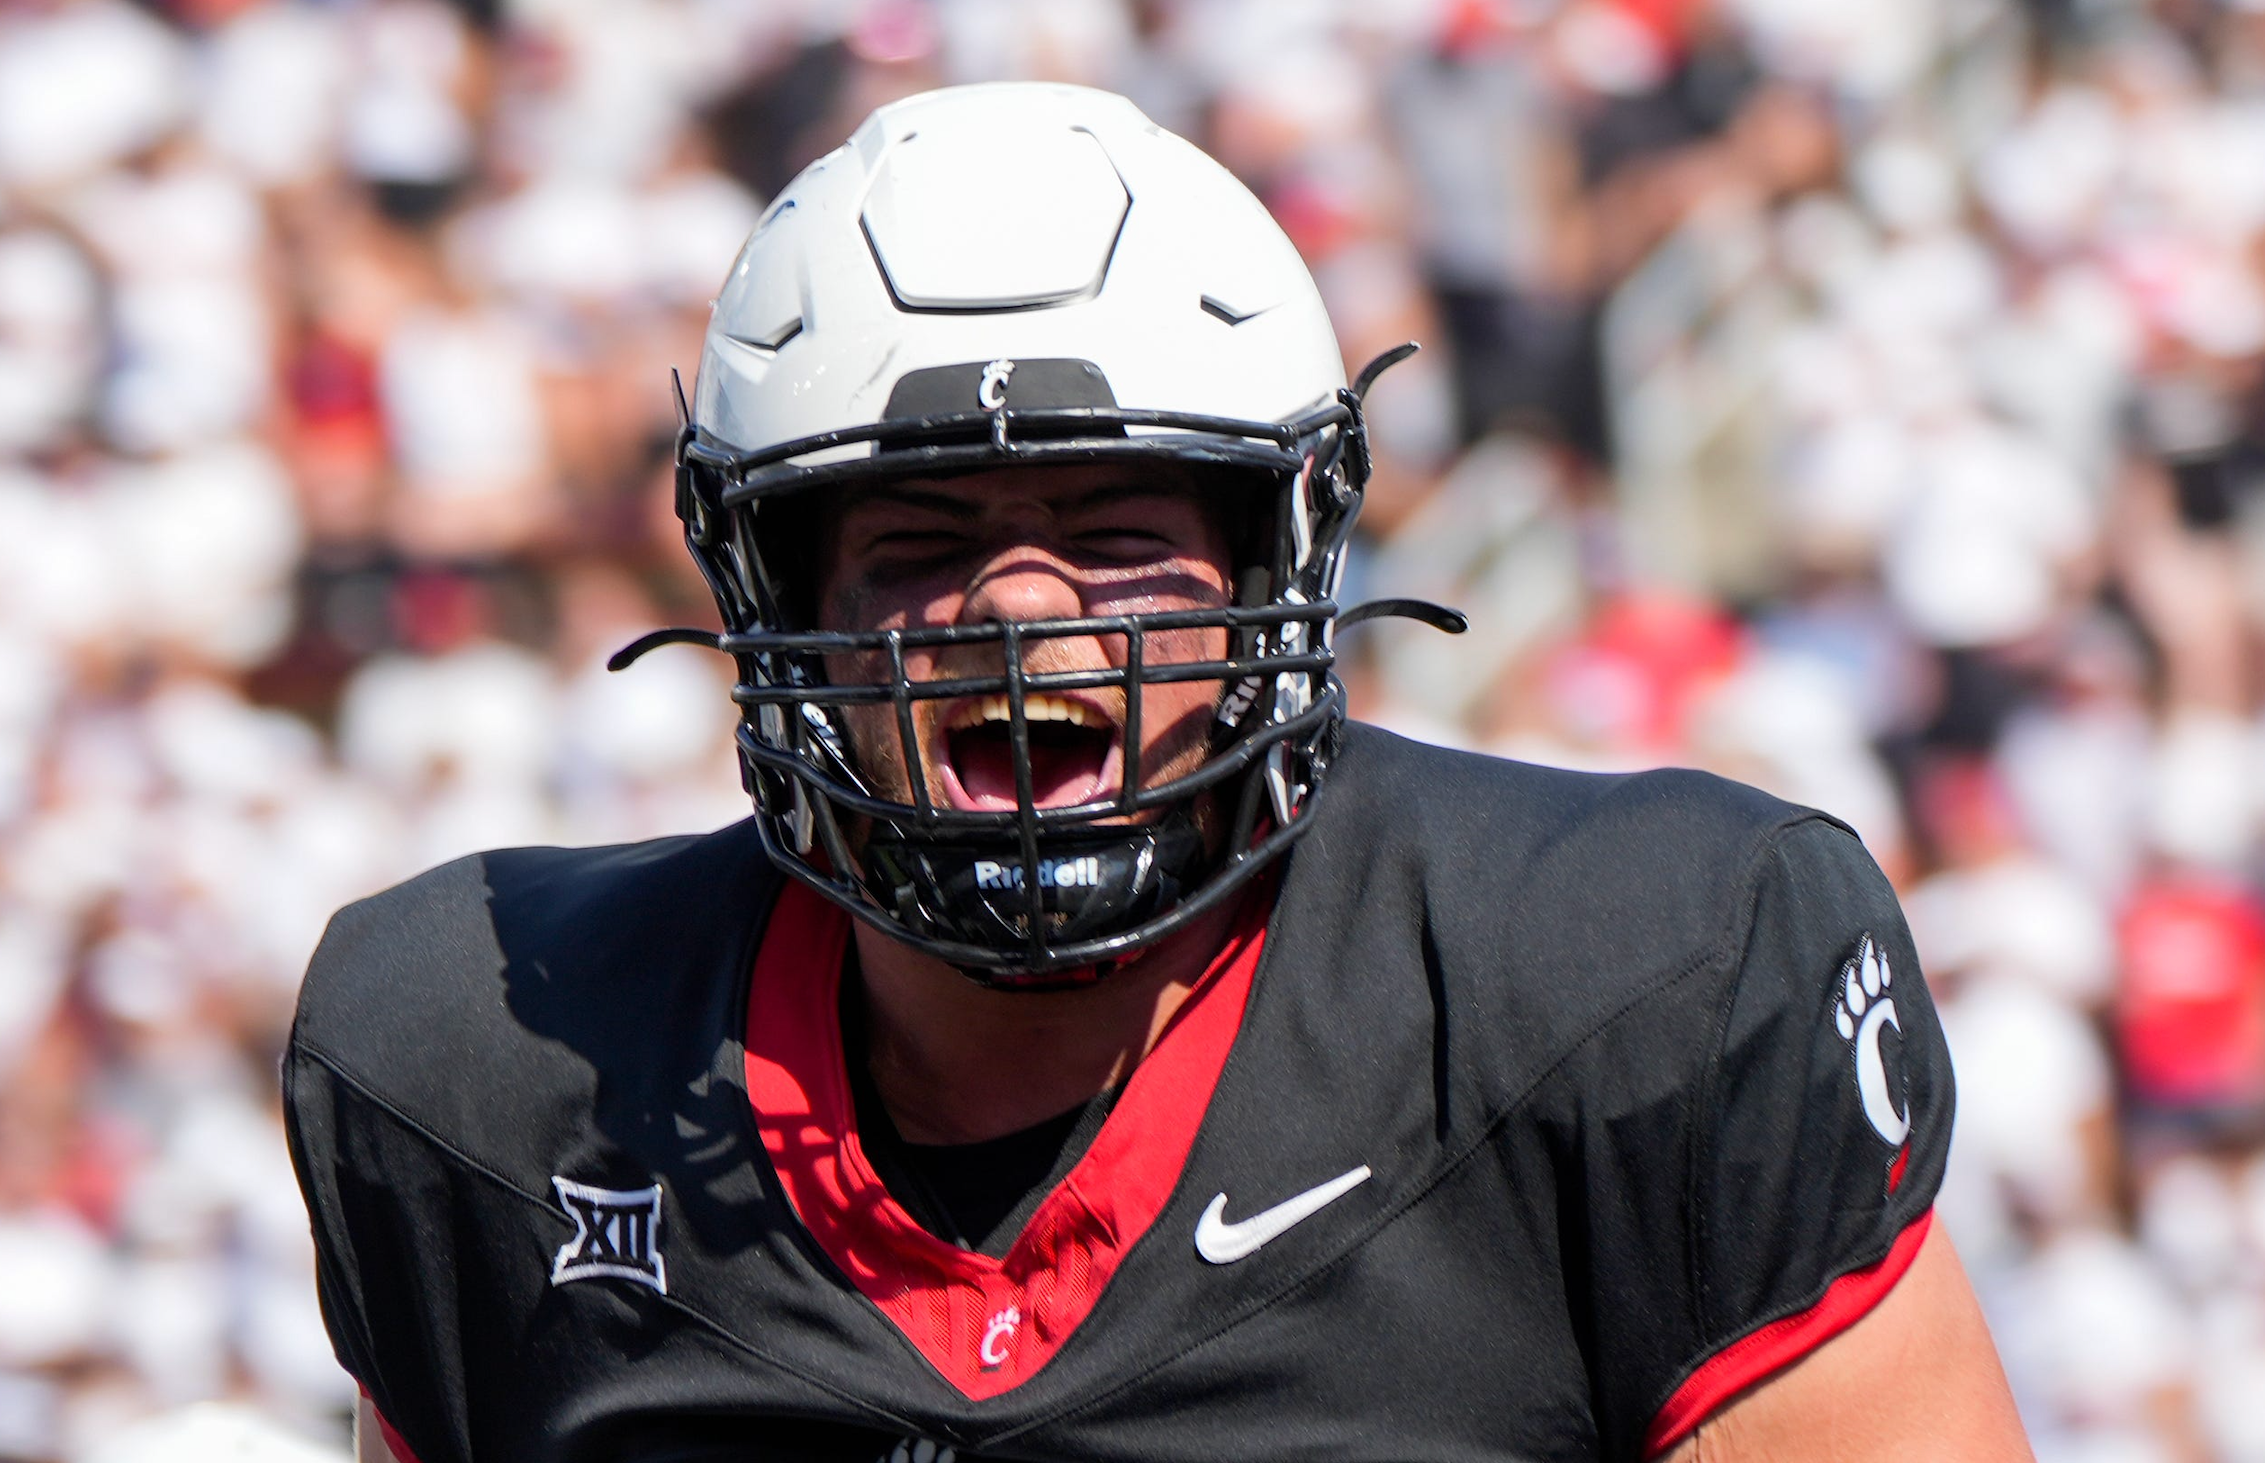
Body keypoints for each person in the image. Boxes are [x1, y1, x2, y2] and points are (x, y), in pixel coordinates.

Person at [285, 83, 2032, 1463]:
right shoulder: (487, 1067)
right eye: (919, 540)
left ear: (1279, 555)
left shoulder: (1639, 985)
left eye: (1118, 529)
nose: (1020, 607)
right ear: (777, 595)